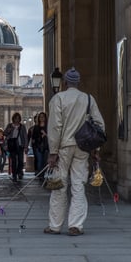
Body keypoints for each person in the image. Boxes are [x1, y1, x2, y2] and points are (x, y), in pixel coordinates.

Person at [44, 67, 105, 236]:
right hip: (83, 147)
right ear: (79, 83)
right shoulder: (88, 99)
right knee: (78, 185)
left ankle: (55, 225)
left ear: (64, 83)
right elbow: (99, 125)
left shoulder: (59, 98)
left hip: (63, 147)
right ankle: (76, 225)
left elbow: (55, 127)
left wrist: (53, 151)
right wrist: (95, 148)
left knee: (58, 185)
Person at [3, 112, 28, 182]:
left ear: (20, 119)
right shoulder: (10, 125)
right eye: (15, 118)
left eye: (18, 118)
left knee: (20, 161)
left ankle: (19, 172)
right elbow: (4, 133)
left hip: (20, 145)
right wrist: (9, 130)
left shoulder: (22, 126)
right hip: (12, 145)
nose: (17, 120)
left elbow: (25, 136)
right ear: (13, 119)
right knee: (14, 161)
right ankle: (14, 175)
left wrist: (26, 146)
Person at [32, 112, 49, 179]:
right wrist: (40, 137)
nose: (42, 118)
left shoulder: (48, 126)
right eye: (40, 117)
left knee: (45, 161)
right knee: (39, 161)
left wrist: (45, 134)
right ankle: (40, 174)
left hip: (46, 146)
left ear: (45, 118)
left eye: (43, 117)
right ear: (38, 118)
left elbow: (52, 136)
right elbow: (33, 138)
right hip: (38, 146)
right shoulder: (36, 127)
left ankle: (44, 173)